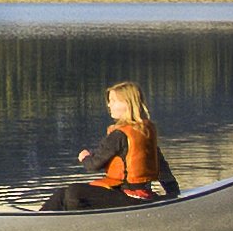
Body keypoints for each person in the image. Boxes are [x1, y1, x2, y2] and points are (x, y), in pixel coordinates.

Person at [41, 81, 175, 211]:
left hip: (129, 196)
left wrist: (85, 157)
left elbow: (93, 165)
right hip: (142, 195)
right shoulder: (145, 132)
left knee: (73, 192)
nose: (109, 105)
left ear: (127, 104)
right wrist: (174, 194)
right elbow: (163, 169)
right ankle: (40, 219)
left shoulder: (119, 135)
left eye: (113, 101)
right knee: (62, 194)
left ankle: (62, 223)